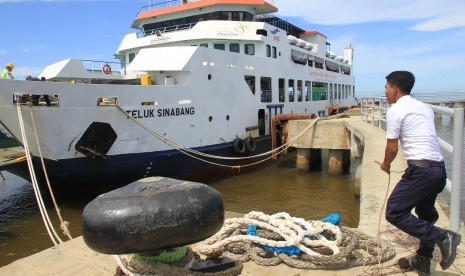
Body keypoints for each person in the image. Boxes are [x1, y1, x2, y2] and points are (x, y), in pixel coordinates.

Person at [379, 71, 461, 275]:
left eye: (387, 88)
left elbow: (392, 149)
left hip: (421, 171)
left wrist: (385, 165)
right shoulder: (424, 108)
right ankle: (423, 259)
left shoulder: (395, 110)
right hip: (438, 170)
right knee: (425, 214)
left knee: (395, 211)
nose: (386, 91)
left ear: (394, 89)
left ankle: (443, 237)